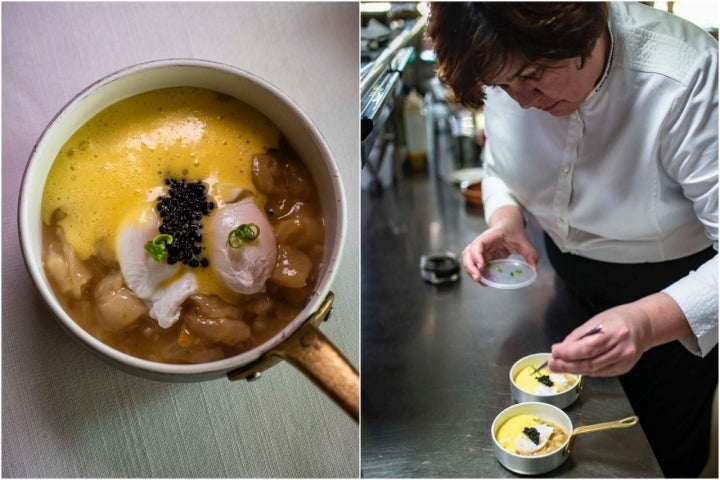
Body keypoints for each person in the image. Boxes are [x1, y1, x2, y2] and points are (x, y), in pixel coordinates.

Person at [428, 2, 717, 477]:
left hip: (673, 299)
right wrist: (506, 219)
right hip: (569, 280)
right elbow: (499, 164)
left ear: (584, 29)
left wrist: (645, 323)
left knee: (663, 451)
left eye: (533, 75)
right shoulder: (505, 66)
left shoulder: (687, 75)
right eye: (502, 86)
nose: (521, 100)